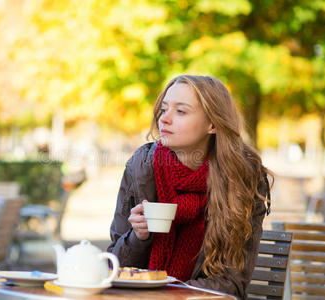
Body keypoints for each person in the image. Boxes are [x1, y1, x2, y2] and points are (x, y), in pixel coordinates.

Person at [107, 75, 272, 299]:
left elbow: (231, 283)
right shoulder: (141, 167)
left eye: (181, 111)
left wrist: (164, 295)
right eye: (164, 109)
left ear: (212, 124)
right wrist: (139, 237)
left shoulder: (242, 179)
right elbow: (112, 267)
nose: (164, 119)